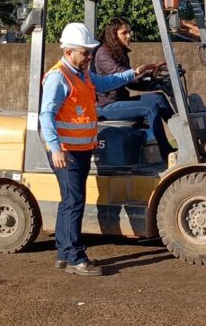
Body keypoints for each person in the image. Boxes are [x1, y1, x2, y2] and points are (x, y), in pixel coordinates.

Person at [40, 22, 157, 277]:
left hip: (79, 149)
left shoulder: (81, 73)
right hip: (66, 151)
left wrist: (134, 72)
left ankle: (63, 253)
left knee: (69, 201)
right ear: (69, 51)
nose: (89, 57)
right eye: (85, 52)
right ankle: (75, 258)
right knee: (74, 202)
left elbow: (105, 83)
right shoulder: (59, 77)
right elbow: (46, 114)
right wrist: (55, 148)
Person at [92, 17, 175, 161]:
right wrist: (143, 73)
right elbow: (123, 75)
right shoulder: (103, 54)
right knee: (149, 108)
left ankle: (183, 138)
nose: (129, 36)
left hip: (118, 100)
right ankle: (166, 152)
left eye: (129, 32)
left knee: (158, 98)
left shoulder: (119, 52)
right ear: (113, 35)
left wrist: (152, 78)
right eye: (124, 33)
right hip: (105, 106)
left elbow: (130, 82)